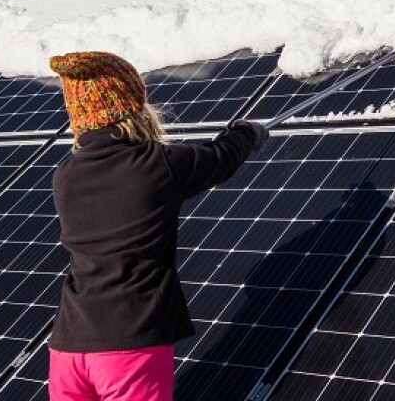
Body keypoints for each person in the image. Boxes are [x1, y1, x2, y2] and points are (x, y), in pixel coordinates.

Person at [46, 51, 269, 401]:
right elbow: (220, 158)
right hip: (129, 344)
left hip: (67, 347)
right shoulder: (155, 166)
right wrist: (245, 134)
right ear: (131, 108)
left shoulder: (64, 176)